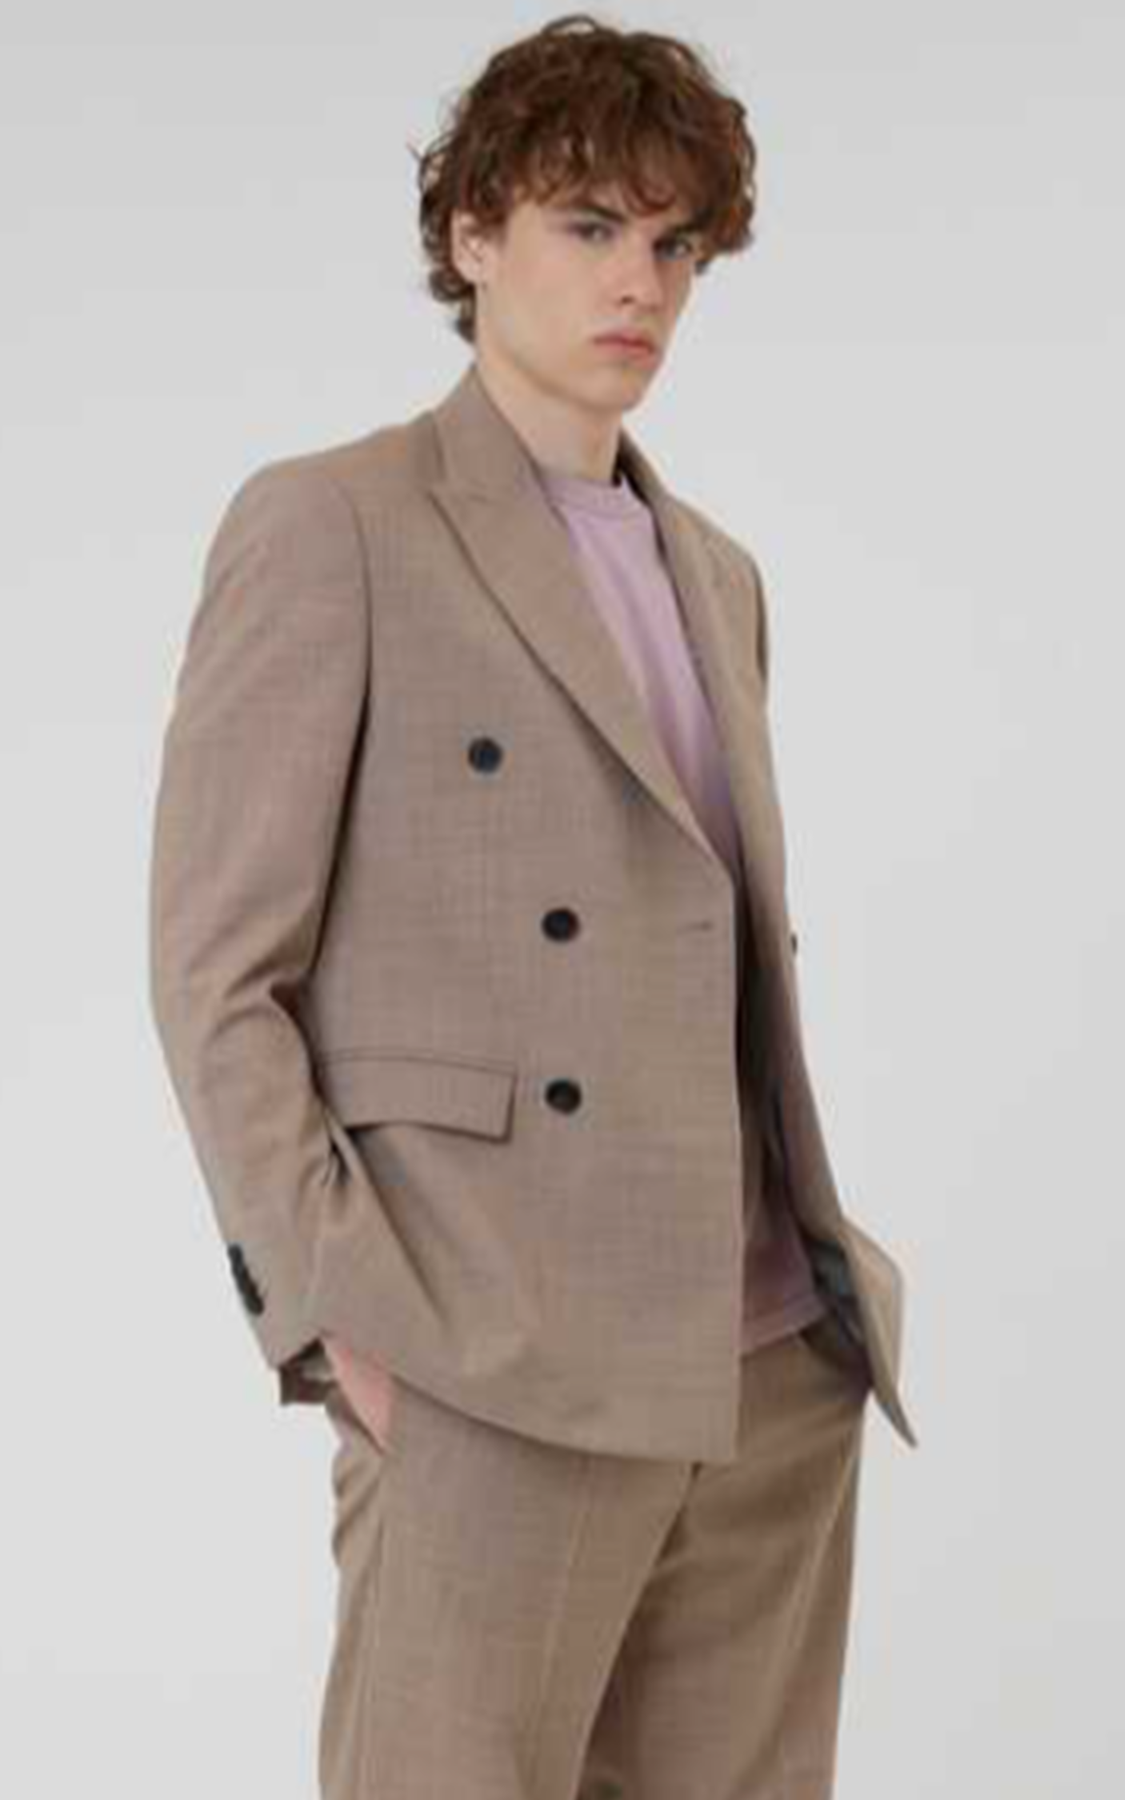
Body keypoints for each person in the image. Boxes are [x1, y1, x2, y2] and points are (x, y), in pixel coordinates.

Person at [148, 13, 916, 1798]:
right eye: (588, 226)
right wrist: (344, 1319)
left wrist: (811, 1326)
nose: (639, 282)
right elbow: (216, 970)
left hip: (759, 1368)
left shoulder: (717, 572)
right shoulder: (334, 525)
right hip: (495, 1362)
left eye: (676, 244)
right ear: (473, 234)